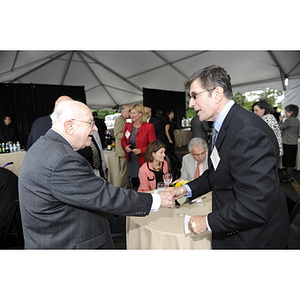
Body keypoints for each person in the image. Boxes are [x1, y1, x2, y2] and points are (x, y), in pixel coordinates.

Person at [18, 100, 174, 249]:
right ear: (69, 126)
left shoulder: (42, 146)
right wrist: (156, 200)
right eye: (90, 123)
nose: (95, 129)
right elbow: (105, 195)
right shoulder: (62, 159)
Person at [167, 65, 290, 249]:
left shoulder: (246, 131)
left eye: (194, 96)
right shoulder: (222, 126)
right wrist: (184, 191)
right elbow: (216, 173)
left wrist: (206, 222)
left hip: (253, 240)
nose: (191, 104)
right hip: (235, 230)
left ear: (217, 94)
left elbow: (255, 206)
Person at [121, 103, 156, 186]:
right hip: (131, 160)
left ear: (140, 114)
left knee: (143, 183)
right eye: (130, 113)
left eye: (134, 113)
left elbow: (153, 145)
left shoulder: (149, 127)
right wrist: (125, 147)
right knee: (133, 183)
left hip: (143, 160)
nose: (131, 115)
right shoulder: (127, 126)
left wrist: (141, 150)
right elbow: (123, 140)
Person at [279, 104, 300, 183]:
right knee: (291, 161)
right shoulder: (296, 120)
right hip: (294, 143)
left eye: (287, 111)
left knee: (288, 162)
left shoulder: (289, 120)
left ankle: (287, 178)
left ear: (291, 112)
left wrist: (281, 120)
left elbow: (280, 127)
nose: (286, 113)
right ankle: (290, 177)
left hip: (288, 143)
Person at [114, 105, 130, 188]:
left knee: (125, 171)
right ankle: (120, 189)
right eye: (128, 111)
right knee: (123, 172)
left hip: (124, 149)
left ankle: (124, 188)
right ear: (123, 111)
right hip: (122, 150)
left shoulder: (124, 120)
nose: (130, 113)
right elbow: (117, 134)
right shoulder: (119, 121)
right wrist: (128, 135)